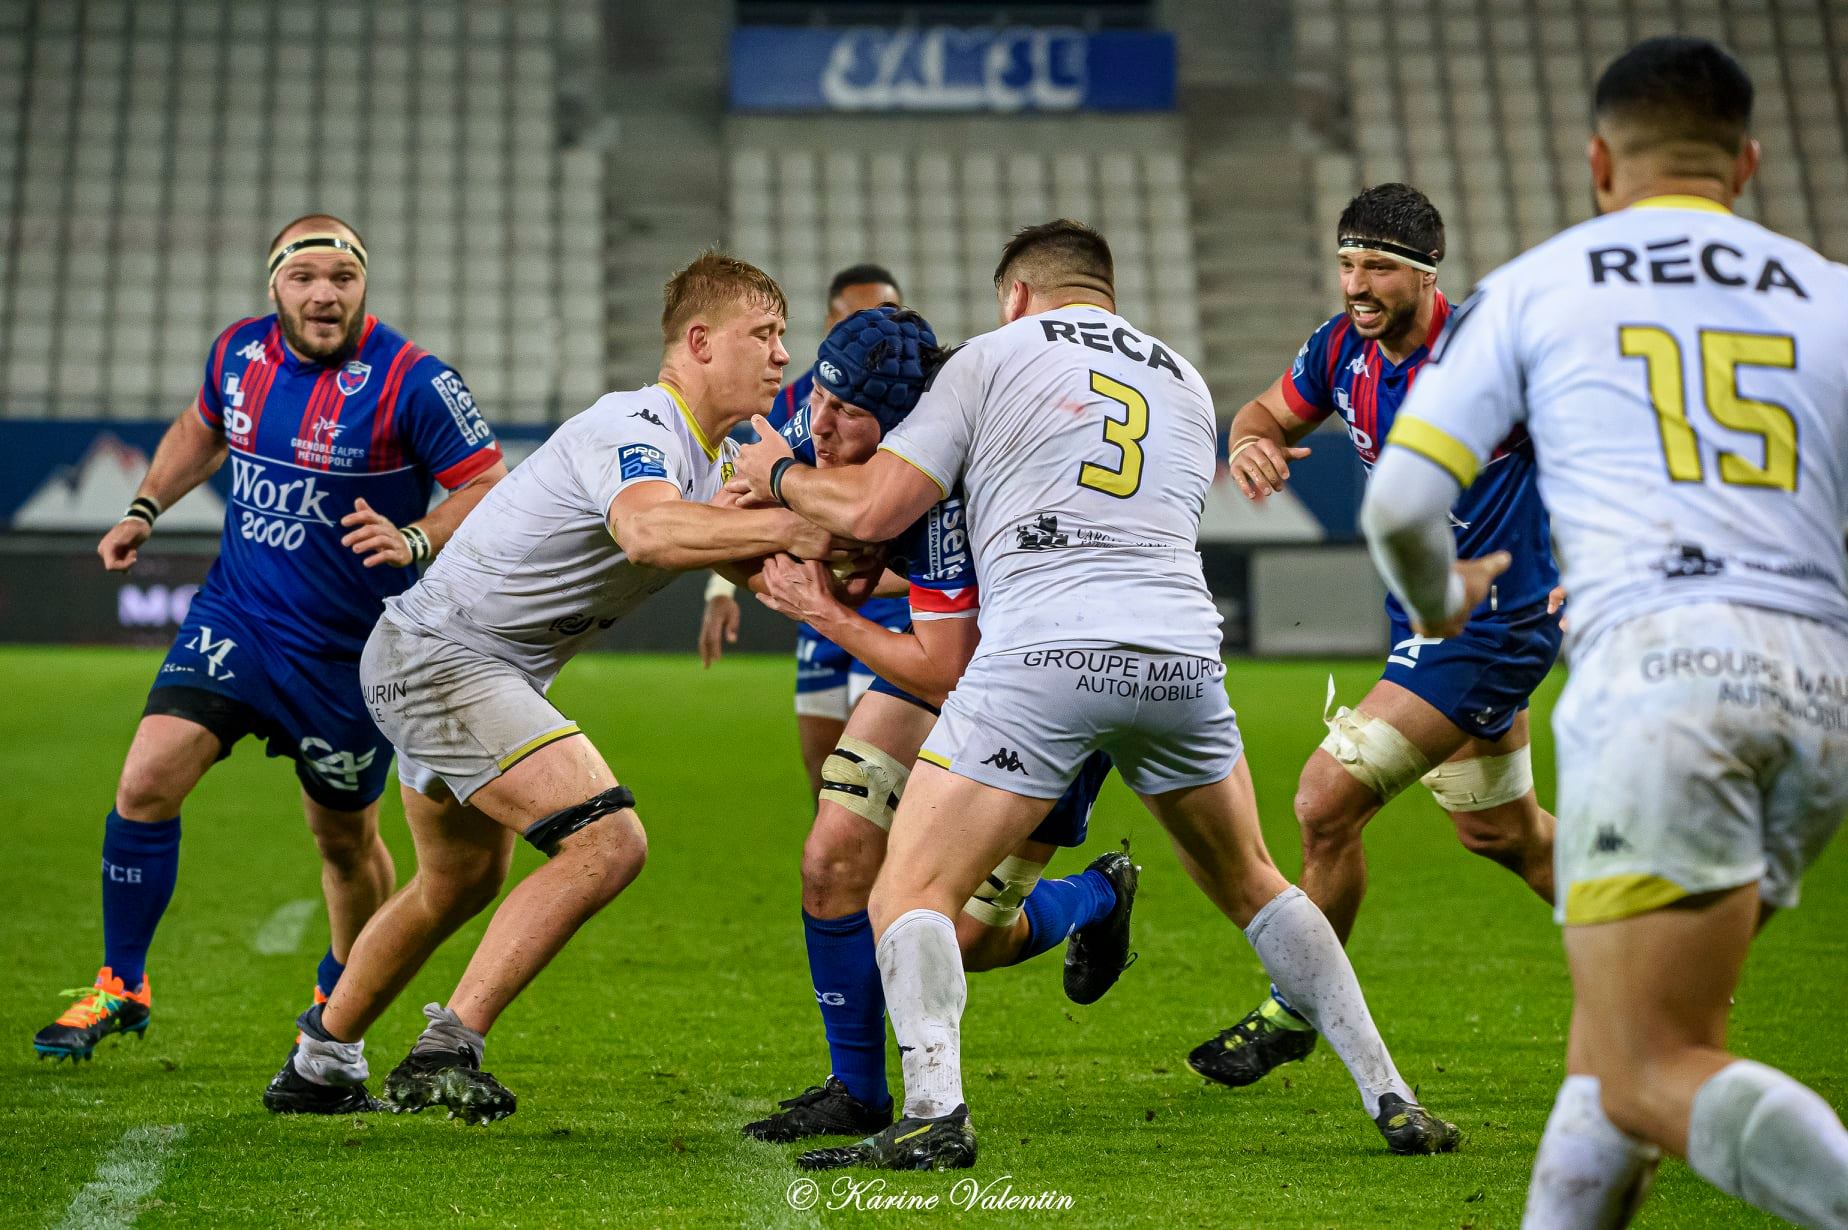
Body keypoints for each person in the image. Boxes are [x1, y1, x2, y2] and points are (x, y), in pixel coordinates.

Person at [732, 219, 1460, 1170]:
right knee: (1255, 881)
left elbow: (878, 506)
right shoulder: (1185, 380)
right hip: (1182, 656)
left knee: (910, 891)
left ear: (1015, 297)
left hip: (1043, 653)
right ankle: (1393, 1095)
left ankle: (935, 1114)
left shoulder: (989, 357)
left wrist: (779, 475)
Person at [1359, 37, 1848, 1229]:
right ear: (1746, 162)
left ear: (1597, 162)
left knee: (1645, 1069)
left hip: (1663, 682)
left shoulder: (1543, 287)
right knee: (1614, 1050)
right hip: (1822, 688)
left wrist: (1434, 605)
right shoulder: (1831, 293)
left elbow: (1401, 504)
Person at [262, 251, 850, 1122]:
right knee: (608, 842)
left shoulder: (716, 456)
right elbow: (649, 532)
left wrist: (874, 552)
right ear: (699, 342)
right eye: (763, 334)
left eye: (783, 336)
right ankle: (446, 1047)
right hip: (442, 660)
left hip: (455, 662)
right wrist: (798, 523)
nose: (781, 355)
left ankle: (318, 1063)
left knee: (456, 882)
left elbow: (763, 566)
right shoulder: (637, 423)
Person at [33, 214, 507, 1064]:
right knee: (145, 781)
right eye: (305, 277)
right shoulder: (237, 354)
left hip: (348, 656)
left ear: (363, 286)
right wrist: (145, 506)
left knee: (344, 842)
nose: (324, 293)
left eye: (342, 277)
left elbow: (486, 483)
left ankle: (338, 994)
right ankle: (121, 984)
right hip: (239, 620)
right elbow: (200, 427)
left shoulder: (416, 380)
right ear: (275, 286)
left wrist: (417, 538)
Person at [1188, 184, 1561, 1089]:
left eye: (1379, 268)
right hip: (1427, 627)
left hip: (1493, 627)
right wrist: (1248, 444)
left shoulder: (1486, 360)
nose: (1357, 284)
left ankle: (1293, 1010)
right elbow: (1262, 413)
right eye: (1348, 263)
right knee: (1502, 834)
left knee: (1325, 802)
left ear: (1429, 274)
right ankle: (1663, 930)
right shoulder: (1338, 348)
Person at [732, 307, 1134, 1143]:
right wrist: (805, 547)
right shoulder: (823, 421)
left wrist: (823, 605)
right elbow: (743, 519)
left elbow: (949, 669)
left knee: (968, 936)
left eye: (847, 413)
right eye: (820, 399)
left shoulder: (945, 472)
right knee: (831, 854)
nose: (820, 423)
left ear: (902, 425)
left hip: (1033, 681)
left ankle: (1099, 895)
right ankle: (856, 1089)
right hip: (949, 651)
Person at [699, 265, 911, 800]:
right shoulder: (798, 400)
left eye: (885, 313)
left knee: (872, 778)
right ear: (832, 323)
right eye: (858, 315)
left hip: (891, 606)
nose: (872, 325)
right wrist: (723, 587)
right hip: (820, 597)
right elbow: (742, 495)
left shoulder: (911, 402)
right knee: (823, 776)